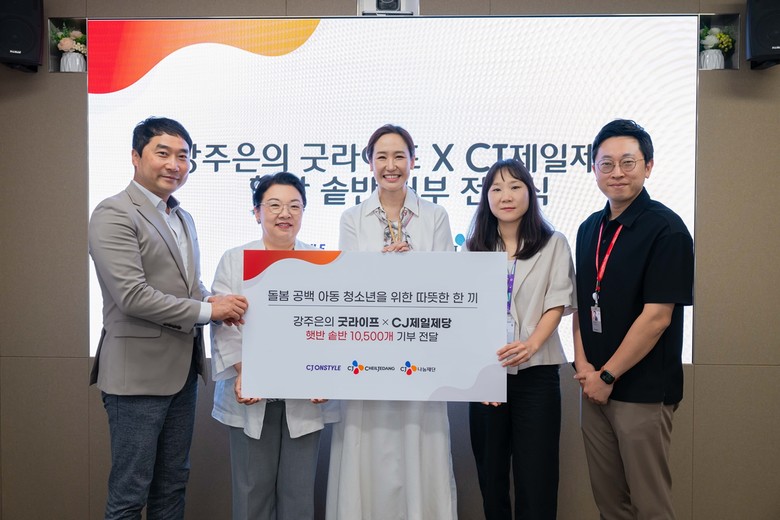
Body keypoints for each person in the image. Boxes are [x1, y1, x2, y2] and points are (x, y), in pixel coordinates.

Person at [88, 116, 248, 519]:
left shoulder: (182, 217)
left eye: (183, 156)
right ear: (135, 156)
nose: (175, 165)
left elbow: (189, 286)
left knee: (172, 485)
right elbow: (132, 296)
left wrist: (217, 300)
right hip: (136, 377)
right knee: (130, 493)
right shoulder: (114, 213)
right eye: (163, 153)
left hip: (182, 373)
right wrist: (209, 310)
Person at [326, 124, 457, 520]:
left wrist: (412, 267)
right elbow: (348, 283)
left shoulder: (435, 215)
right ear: (369, 164)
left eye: (399, 156)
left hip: (421, 350)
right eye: (381, 157)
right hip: (369, 350)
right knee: (366, 443)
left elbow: (447, 281)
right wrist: (381, 268)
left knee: (421, 440)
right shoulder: (352, 217)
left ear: (413, 161)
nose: (391, 165)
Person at [573, 119, 694, 520]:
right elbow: (582, 305)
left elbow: (657, 318)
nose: (617, 173)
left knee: (650, 506)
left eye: (628, 162)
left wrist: (608, 376)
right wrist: (585, 368)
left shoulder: (667, 230)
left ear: (648, 166)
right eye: (606, 164)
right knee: (610, 505)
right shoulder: (589, 228)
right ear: (594, 169)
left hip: (641, 391)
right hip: (594, 388)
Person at [210, 172, 338, 520]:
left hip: (305, 397)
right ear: (257, 212)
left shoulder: (322, 262)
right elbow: (224, 323)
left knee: (299, 497)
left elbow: (332, 326)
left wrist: (327, 373)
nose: (285, 214)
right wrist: (244, 372)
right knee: (251, 495)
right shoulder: (235, 259)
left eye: (295, 206)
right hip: (250, 394)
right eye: (275, 205)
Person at [464, 159, 576, 520]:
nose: (506, 196)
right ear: (486, 197)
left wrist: (530, 345)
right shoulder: (473, 247)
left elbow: (557, 303)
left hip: (536, 373)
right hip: (488, 375)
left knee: (537, 477)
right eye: (496, 189)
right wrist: (481, 375)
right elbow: (465, 315)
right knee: (492, 476)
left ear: (530, 192)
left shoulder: (553, 243)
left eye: (515, 186)